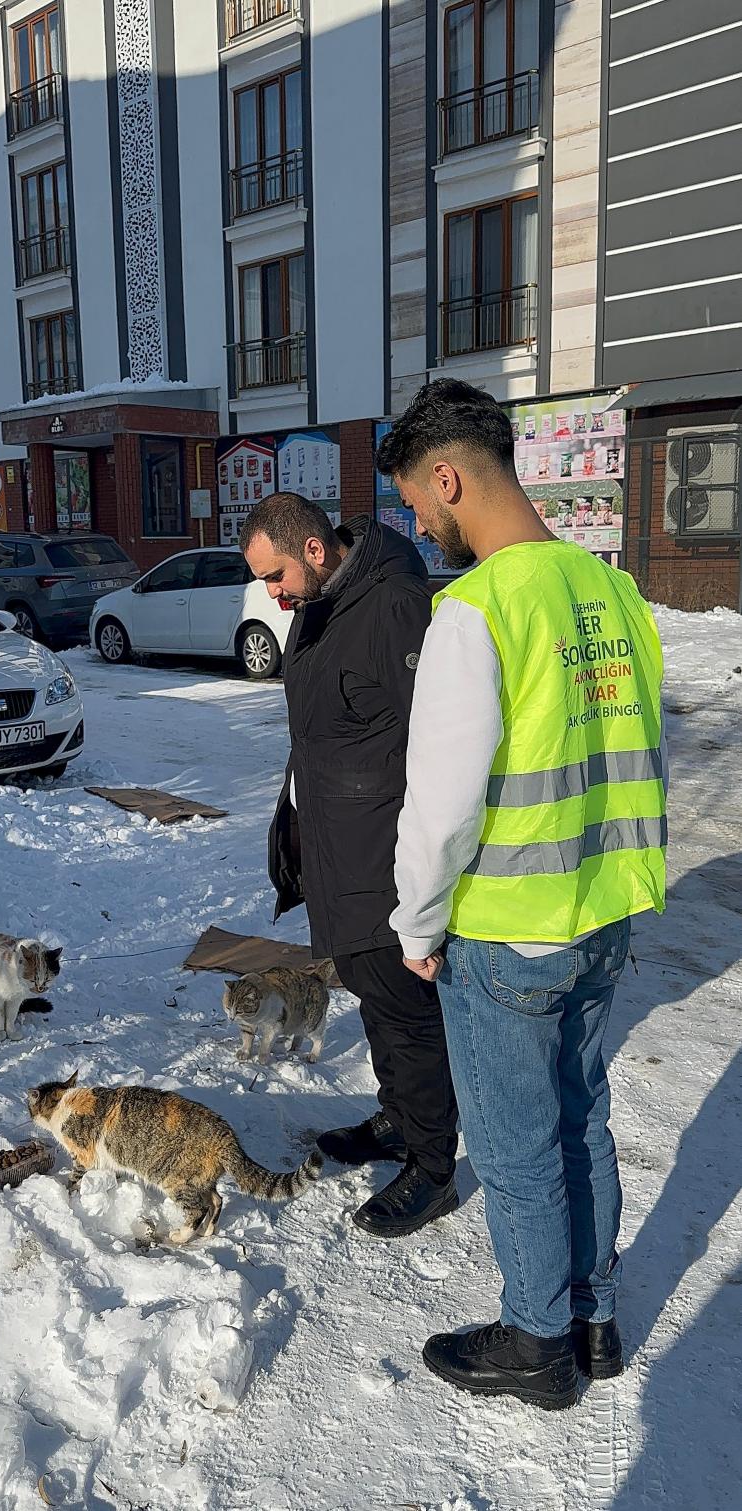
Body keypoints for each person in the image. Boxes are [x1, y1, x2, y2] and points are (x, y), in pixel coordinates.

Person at [377, 379, 667, 1409]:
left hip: (509, 929)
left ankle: (537, 1343)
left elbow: (442, 800)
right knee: (581, 1115)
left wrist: (415, 921)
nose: (418, 523)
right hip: (604, 908)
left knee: (515, 1143)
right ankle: (591, 1318)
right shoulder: (612, 592)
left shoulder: (478, 608)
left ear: (448, 476)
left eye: (416, 501)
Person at [239, 493, 459, 1238]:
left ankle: (432, 1166)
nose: (270, 594)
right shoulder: (321, 601)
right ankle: (399, 1120)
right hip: (336, 845)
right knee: (372, 996)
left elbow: (439, 742)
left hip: (383, 851)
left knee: (405, 1012)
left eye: (273, 576)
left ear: (311, 550)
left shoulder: (393, 604)